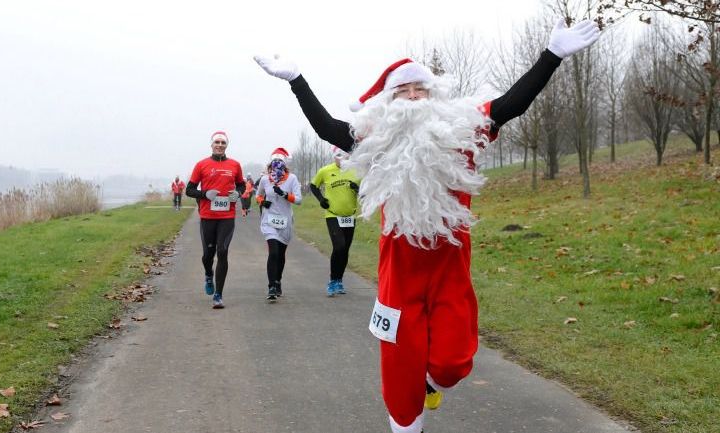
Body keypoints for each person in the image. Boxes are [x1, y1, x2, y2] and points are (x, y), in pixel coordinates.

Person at [255, 18, 599, 433]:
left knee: (453, 363)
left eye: (421, 90)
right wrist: (297, 81)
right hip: (399, 273)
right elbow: (327, 127)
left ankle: (430, 383)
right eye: (403, 91)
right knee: (400, 379)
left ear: (434, 96)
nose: (414, 97)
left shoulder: (462, 130)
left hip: (449, 268)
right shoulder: (375, 142)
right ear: (388, 102)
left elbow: (512, 104)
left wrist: (552, 56)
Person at [185, 131, 245, 309]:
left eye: (223, 143)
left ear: (227, 145)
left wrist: (238, 193)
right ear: (211, 144)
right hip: (207, 217)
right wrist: (205, 194)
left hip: (227, 216)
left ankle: (218, 295)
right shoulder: (201, 165)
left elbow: (241, 184)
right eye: (217, 142)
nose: (219, 145)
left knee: (223, 251)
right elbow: (189, 190)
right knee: (207, 256)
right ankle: (208, 274)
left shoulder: (235, 165)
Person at [310, 145, 360, 297]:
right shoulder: (325, 171)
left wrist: (357, 189)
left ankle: (339, 280)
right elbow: (313, 186)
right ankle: (332, 280)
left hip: (350, 216)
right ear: (334, 157)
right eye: (338, 156)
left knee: (345, 250)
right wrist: (321, 200)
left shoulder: (355, 171)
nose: (341, 159)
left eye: (344, 156)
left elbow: (365, 192)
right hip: (332, 215)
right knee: (339, 246)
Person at [255, 147, 302, 302]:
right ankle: (271, 287)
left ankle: (278, 280)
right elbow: (258, 195)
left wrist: (284, 194)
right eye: (274, 163)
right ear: (270, 164)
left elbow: (299, 200)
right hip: (269, 221)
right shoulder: (264, 179)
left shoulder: (292, 179)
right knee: (273, 252)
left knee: (280, 255)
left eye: (280, 162)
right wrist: (263, 201)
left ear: (285, 164)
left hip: (285, 222)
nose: (277, 165)